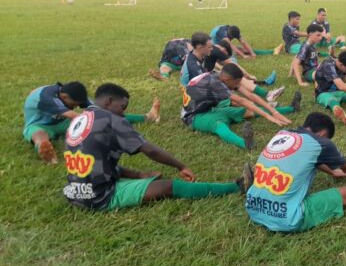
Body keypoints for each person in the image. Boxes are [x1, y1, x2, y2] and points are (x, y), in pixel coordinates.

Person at [62, 83, 251, 211]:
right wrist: (180, 166)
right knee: (168, 186)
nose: (123, 113)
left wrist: (138, 175)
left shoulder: (79, 120)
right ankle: (235, 187)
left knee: (144, 180)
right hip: (98, 196)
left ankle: (138, 179)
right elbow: (149, 150)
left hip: (74, 192)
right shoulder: (111, 119)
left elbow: (97, 164)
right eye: (123, 107)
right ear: (109, 101)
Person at [24, 81, 160, 164]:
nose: (76, 106)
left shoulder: (71, 93)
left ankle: (148, 117)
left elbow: (95, 108)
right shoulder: (45, 96)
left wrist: (109, 117)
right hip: (39, 125)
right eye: (74, 105)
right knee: (39, 134)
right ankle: (43, 147)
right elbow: (75, 116)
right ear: (64, 97)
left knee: (108, 115)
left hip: (63, 123)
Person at [181, 64, 294, 149]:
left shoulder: (220, 77)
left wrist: (275, 113)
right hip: (194, 116)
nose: (237, 86)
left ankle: (291, 108)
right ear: (227, 79)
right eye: (236, 83)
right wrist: (267, 116)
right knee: (219, 125)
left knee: (246, 111)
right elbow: (241, 100)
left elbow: (250, 96)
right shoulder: (216, 83)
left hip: (212, 108)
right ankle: (246, 144)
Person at [210, 24, 283, 60]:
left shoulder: (234, 31)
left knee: (245, 50)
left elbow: (243, 42)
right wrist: (243, 56)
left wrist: (252, 53)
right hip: (215, 45)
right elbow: (231, 46)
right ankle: (272, 51)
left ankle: (273, 51)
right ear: (229, 35)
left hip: (224, 43)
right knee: (235, 52)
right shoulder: (222, 33)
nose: (233, 38)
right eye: (232, 37)